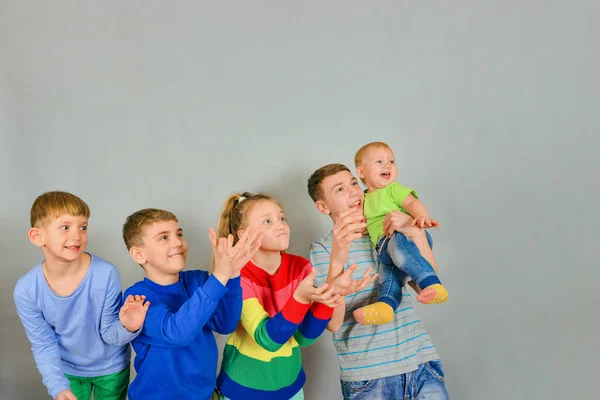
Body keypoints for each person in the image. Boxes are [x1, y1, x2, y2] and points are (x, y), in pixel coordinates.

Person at [308, 165, 449, 399]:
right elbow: (332, 324)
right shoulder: (323, 250)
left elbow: (426, 282)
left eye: (354, 183)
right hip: (370, 377)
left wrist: (414, 233)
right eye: (340, 189)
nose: (354, 192)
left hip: (421, 361)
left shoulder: (387, 234)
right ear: (323, 206)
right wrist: (338, 259)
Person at [215, 192, 375, 400]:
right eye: (267, 221)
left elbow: (304, 337)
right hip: (242, 390)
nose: (280, 225)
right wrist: (299, 299)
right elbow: (268, 340)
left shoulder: (300, 267)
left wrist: (332, 294)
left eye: (282, 218)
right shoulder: (239, 276)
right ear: (243, 234)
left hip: (290, 388)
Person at [14, 191, 149, 400]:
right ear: (37, 236)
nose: (77, 235)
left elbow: (110, 334)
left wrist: (128, 326)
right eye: (65, 227)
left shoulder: (106, 274)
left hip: (111, 368)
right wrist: (58, 387)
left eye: (83, 227)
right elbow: (43, 344)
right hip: (67, 372)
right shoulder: (26, 290)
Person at [121, 208, 259, 399]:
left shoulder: (198, 280)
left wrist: (233, 274)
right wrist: (219, 276)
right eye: (164, 237)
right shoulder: (138, 297)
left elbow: (226, 324)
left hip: (205, 394)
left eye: (179, 234)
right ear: (138, 254)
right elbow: (177, 332)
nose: (178, 242)